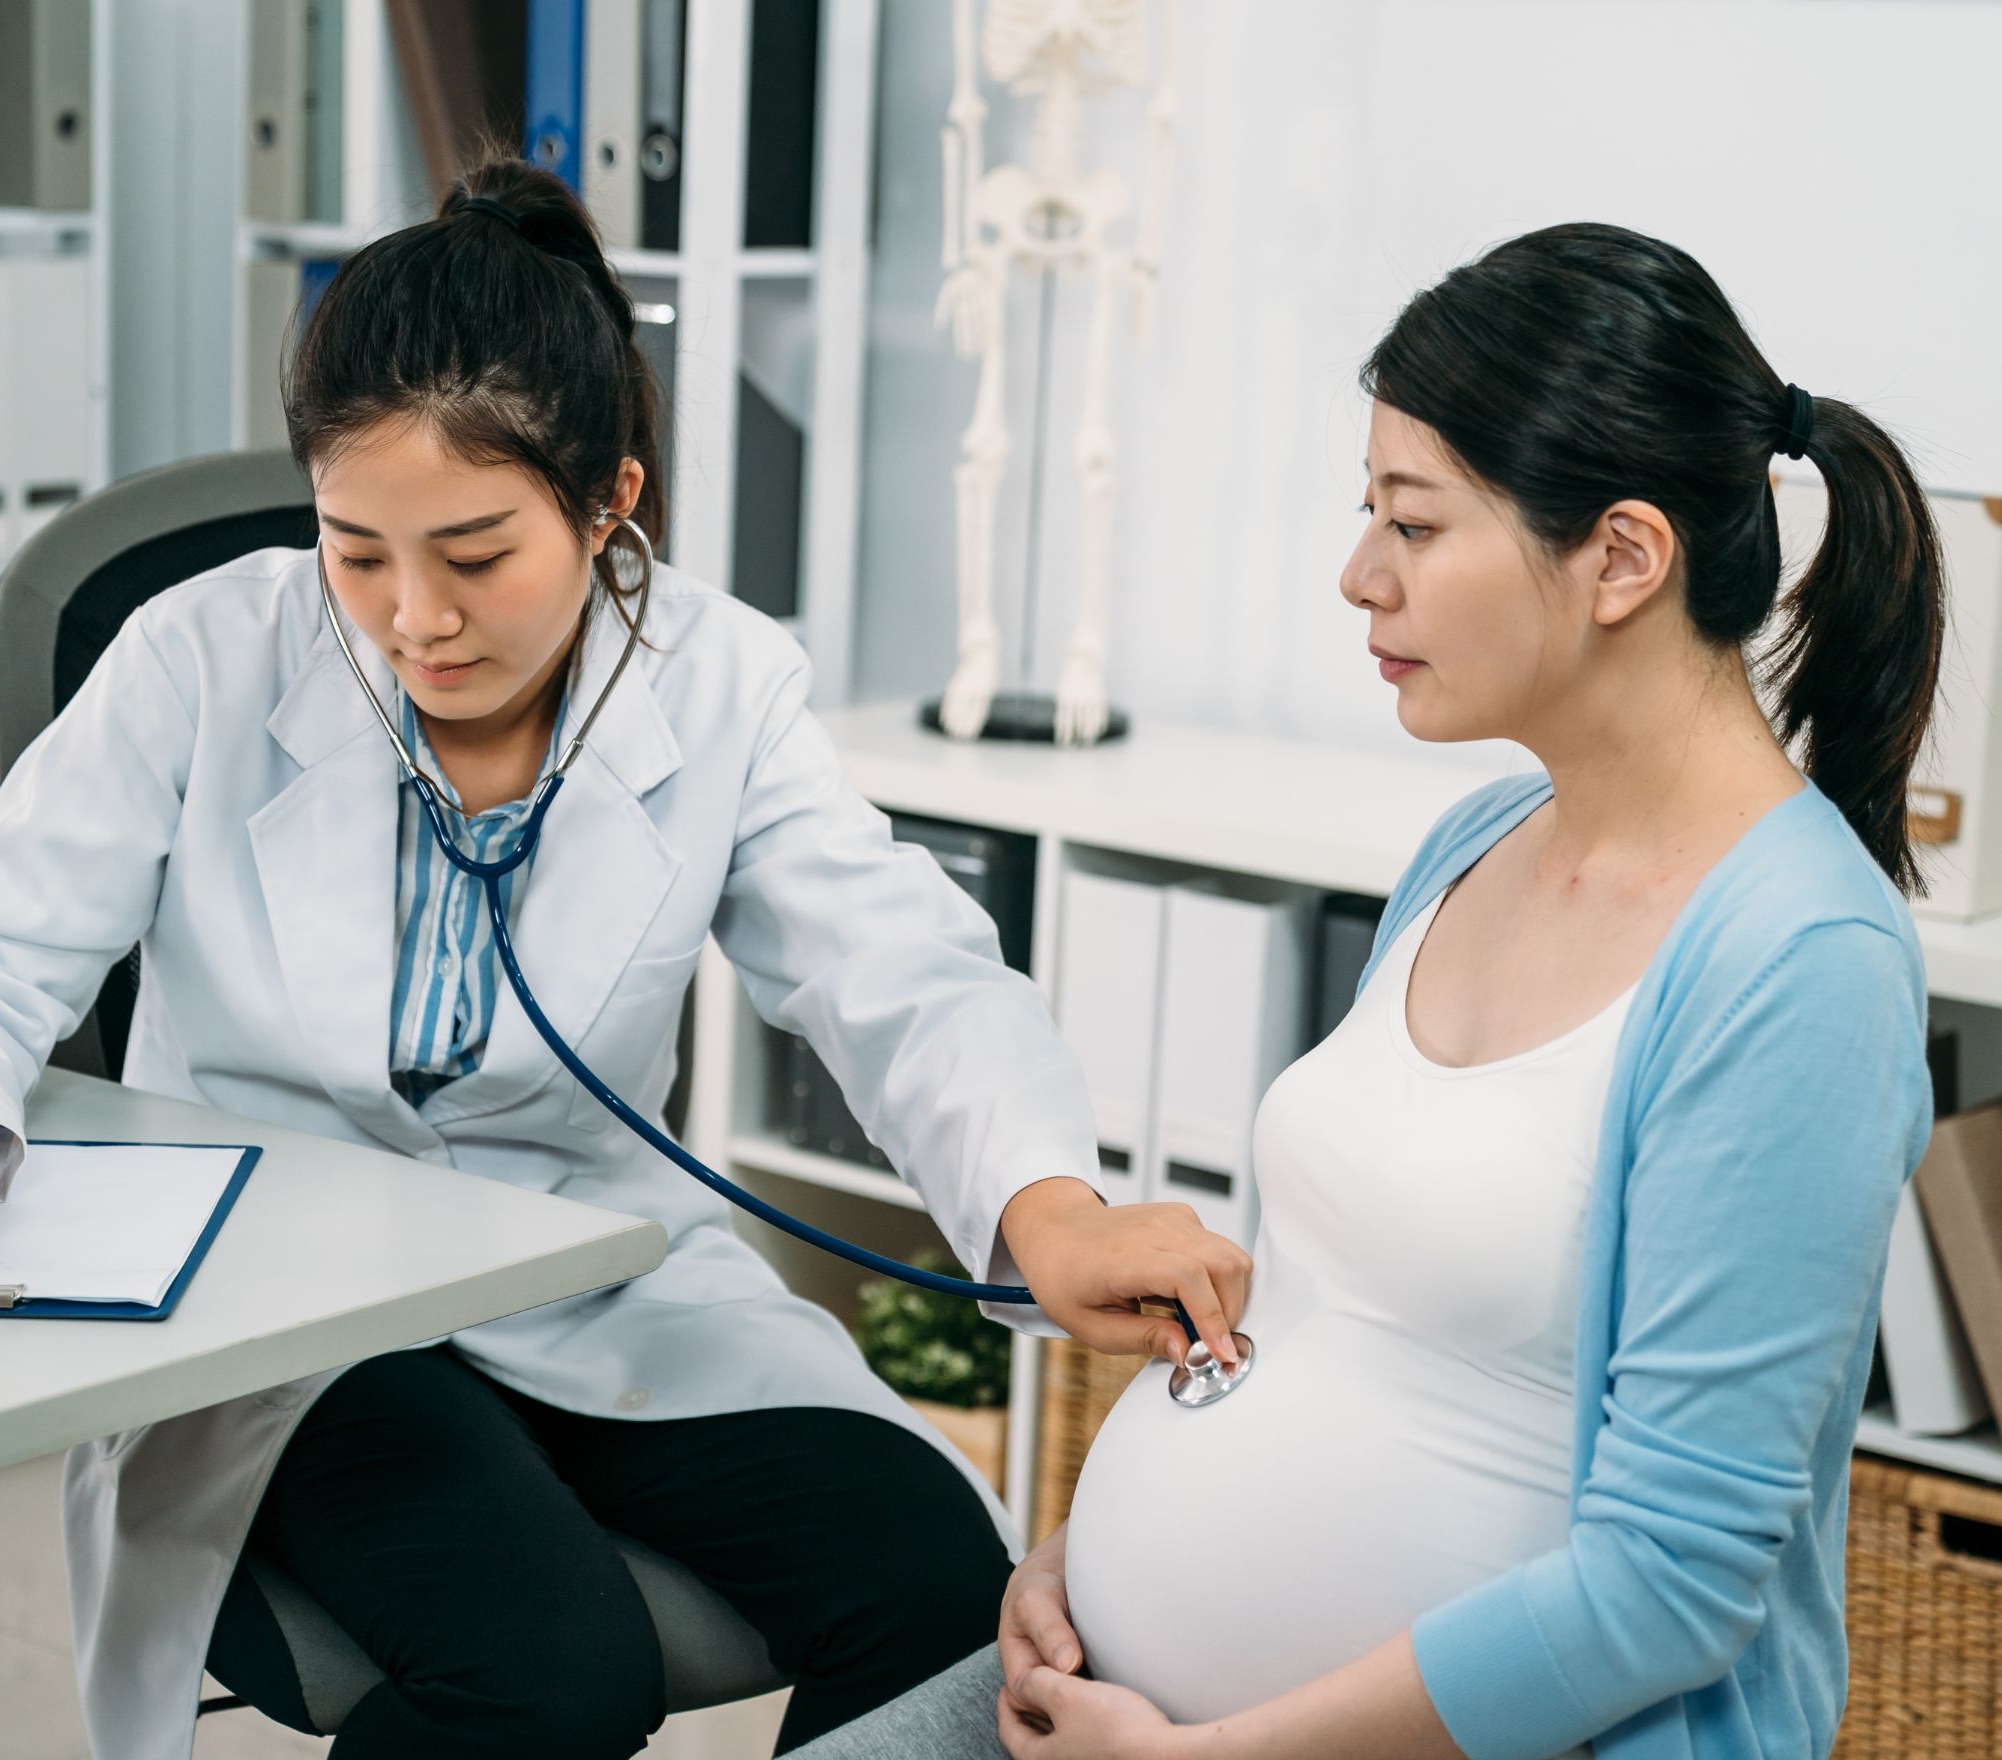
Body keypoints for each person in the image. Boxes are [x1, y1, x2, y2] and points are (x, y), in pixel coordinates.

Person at [0, 156, 1253, 1760]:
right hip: (286, 1304)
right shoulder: (206, 656)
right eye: (357, 551)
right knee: (554, 1669)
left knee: (934, 1588)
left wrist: (1047, 1207)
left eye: (477, 556)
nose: (414, 619)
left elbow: (901, 974)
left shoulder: (719, 685)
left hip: (588, 1270)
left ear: (609, 500)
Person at [792, 221, 1941, 1760]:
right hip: (1121, 1698)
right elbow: (1346, 1317)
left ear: (1621, 558)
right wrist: (1081, 1572)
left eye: (1414, 524)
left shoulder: (1803, 970)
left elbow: (1672, 1585)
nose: (1359, 576)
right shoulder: (1479, 841)